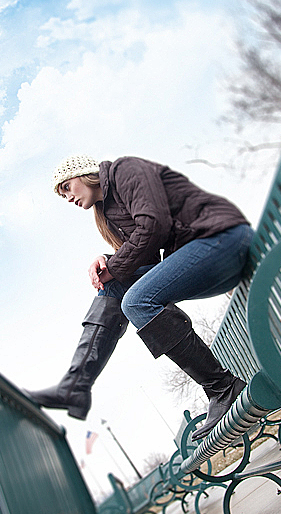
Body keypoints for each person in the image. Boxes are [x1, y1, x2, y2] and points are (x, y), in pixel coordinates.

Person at [28, 155, 254, 441]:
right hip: (207, 255)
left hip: (221, 238)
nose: (67, 197)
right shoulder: (107, 210)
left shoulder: (125, 170)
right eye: (62, 195)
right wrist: (109, 261)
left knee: (136, 301)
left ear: (84, 174)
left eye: (67, 187)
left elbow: (154, 223)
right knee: (116, 289)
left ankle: (222, 388)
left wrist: (115, 265)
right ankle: (75, 387)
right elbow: (145, 256)